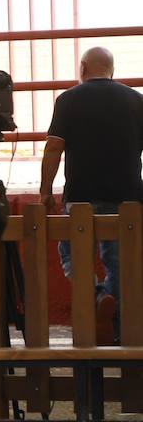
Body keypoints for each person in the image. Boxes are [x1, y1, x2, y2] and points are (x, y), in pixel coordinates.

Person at [40, 46, 143, 343]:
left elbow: (53, 149)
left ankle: (97, 296)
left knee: (72, 255)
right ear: (113, 69)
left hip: (80, 197)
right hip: (126, 200)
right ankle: (122, 334)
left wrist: (45, 192)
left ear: (83, 68)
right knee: (120, 264)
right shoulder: (137, 101)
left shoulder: (69, 100)